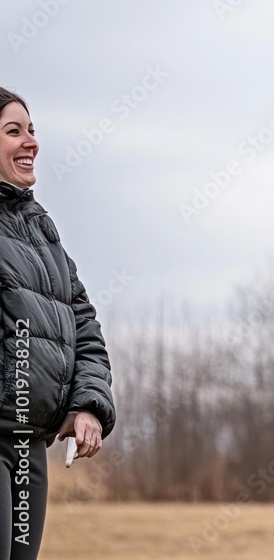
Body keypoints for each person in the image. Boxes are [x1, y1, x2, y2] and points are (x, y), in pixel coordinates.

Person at [0, 87, 115, 559]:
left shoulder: (40, 229)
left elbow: (83, 323)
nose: (31, 142)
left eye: (32, 130)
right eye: (13, 131)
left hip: (29, 448)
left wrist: (87, 404)